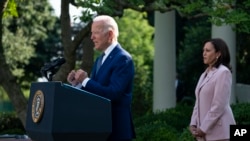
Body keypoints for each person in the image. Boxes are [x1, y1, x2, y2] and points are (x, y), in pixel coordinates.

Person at [67, 15, 136, 141]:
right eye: (91, 33)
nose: (92, 37)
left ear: (110, 34)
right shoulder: (99, 60)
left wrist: (86, 81)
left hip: (117, 132)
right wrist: (77, 84)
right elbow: (95, 94)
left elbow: (113, 93)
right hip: (100, 130)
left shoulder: (123, 59)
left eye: (96, 33)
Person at [189, 38, 236, 141]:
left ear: (218, 53)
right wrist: (193, 124)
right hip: (203, 134)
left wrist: (203, 128)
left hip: (221, 133)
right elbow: (198, 102)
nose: (204, 54)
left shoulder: (223, 72)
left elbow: (218, 105)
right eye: (203, 50)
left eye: (208, 51)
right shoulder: (204, 74)